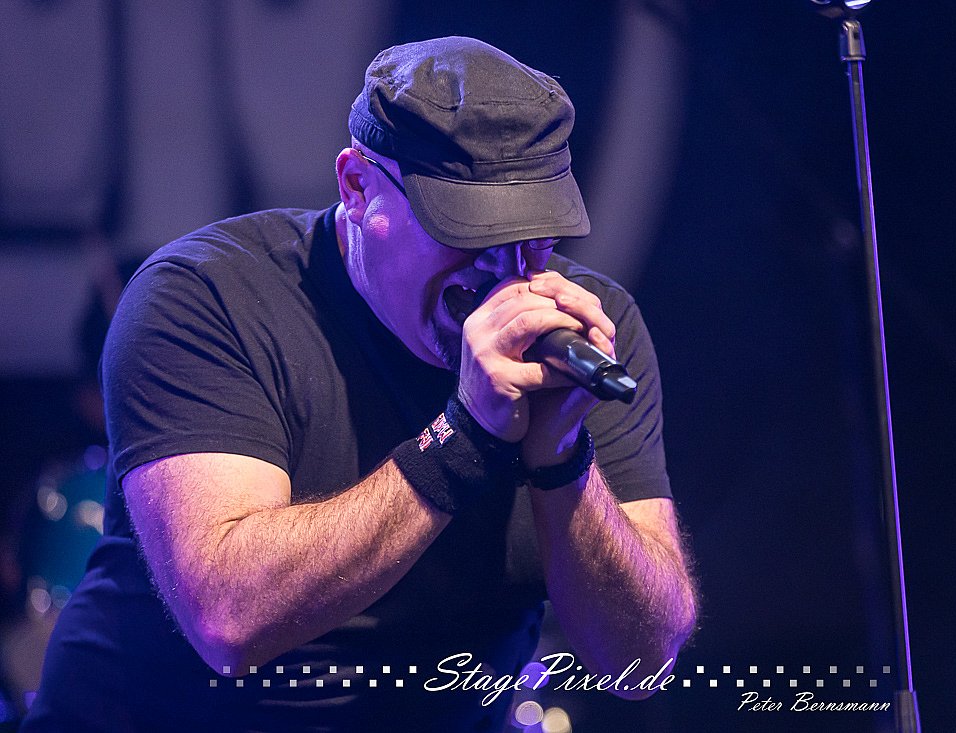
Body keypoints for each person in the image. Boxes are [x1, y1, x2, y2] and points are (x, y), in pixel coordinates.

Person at [22, 36, 697, 732]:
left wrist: (561, 456)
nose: (504, 274)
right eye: (470, 232)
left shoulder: (589, 327)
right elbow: (229, 619)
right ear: (357, 186)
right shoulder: (205, 298)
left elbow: (640, 662)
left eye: (535, 239)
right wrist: (466, 437)